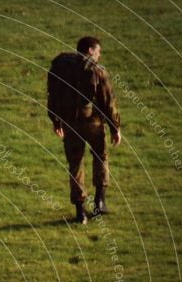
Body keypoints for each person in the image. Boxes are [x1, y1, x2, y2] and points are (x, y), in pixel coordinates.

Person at [47, 36, 121, 223]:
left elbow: (53, 94)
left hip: (70, 123)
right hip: (93, 123)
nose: (99, 55)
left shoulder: (62, 67)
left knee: (75, 165)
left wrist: (56, 121)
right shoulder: (97, 71)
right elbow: (108, 102)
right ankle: (99, 203)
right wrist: (115, 127)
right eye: (98, 51)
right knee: (100, 157)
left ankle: (80, 212)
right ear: (90, 50)